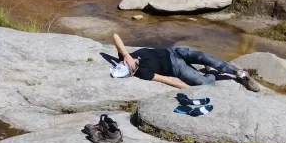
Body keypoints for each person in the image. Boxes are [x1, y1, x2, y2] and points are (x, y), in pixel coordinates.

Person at [110, 33, 260, 91]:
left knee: (204, 57)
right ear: (133, 72)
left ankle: (239, 73)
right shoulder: (143, 73)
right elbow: (166, 80)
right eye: (133, 68)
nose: (133, 64)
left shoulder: (125, 57)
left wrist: (125, 54)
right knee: (205, 83)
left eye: (129, 64)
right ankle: (212, 72)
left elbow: (115, 35)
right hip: (177, 68)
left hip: (174, 51)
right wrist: (185, 87)